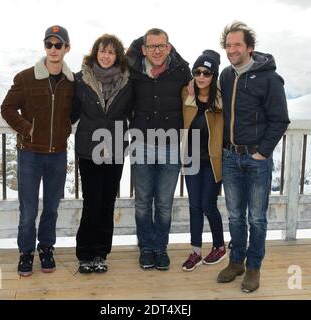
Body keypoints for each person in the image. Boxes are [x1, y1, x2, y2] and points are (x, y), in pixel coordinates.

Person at [216, 21, 290, 292]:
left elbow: (280, 119)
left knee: (256, 217)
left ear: (250, 48)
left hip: (256, 159)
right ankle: (236, 261)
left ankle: (254, 267)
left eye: (237, 44)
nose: (232, 49)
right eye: (228, 45)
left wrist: (262, 152)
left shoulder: (268, 78)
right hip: (230, 157)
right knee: (235, 215)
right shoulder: (226, 75)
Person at [0, 25, 74, 277]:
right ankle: (25, 253)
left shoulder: (71, 81)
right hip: (30, 154)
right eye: (49, 44)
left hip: (58, 154)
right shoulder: (25, 77)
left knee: (52, 207)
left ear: (67, 48)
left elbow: (74, 112)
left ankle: (46, 248)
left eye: (58, 44)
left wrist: (64, 129)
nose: (53, 49)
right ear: (45, 47)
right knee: (28, 209)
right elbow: (7, 108)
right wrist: (27, 129)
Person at [126, 28, 192, 271]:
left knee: (164, 202)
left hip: (171, 146)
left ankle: (160, 248)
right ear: (143, 49)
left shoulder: (181, 71)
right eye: (151, 46)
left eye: (161, 46)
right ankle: (146, 248)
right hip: (141, 144)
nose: (156, 50)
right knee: (143, 201)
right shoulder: (133, 71)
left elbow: (199, 95)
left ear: (169, 47)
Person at [71, 34, 132, 274]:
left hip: (116, 148)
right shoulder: (80, 80)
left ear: (118, 56)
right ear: (95, 53)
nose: (106, 56)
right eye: (102, 51)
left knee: (107, 203)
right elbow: (70, 112)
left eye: (111, 52)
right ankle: (85, 253)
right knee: (92, 202)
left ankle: (100, 253)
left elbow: (137, 110)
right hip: (89, 150)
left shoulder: (129, 82)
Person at [180, 50, 226, 272]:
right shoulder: (186, 96)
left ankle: (219, 246)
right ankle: (196, 251)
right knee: (194, 206)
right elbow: (176, 64)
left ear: (213, 75)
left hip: (212, 162)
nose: (201, 77)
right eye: (197, 72)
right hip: (191, 160)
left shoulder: (220, 100)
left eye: (206, 73)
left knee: (208, 205)